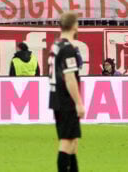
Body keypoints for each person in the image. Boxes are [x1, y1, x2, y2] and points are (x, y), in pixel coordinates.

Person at [48, 11, 84, 172]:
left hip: (56, 98)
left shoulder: (56, 45)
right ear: (75, 26)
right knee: (66, 142)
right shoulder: (68, 49)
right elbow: (69, 78)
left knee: (73, 142)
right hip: (66, 100)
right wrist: (78, 103)